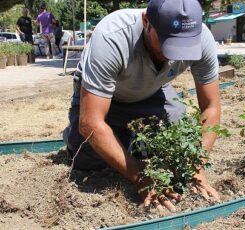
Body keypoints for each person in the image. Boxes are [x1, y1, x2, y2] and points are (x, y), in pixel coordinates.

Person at [63, 0, 221, 212]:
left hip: (153, 91)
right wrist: (139, 177)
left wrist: (196, 167)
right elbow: (91, 122)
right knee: (89, 159)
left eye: (183, 46)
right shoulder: (113, 37)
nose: (175, 54)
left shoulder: (202, 38)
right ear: (146, 21)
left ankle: (126, 137)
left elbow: (211, 107)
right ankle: (73, 134)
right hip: (106, 97)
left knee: (177, 149)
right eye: (168, 43)